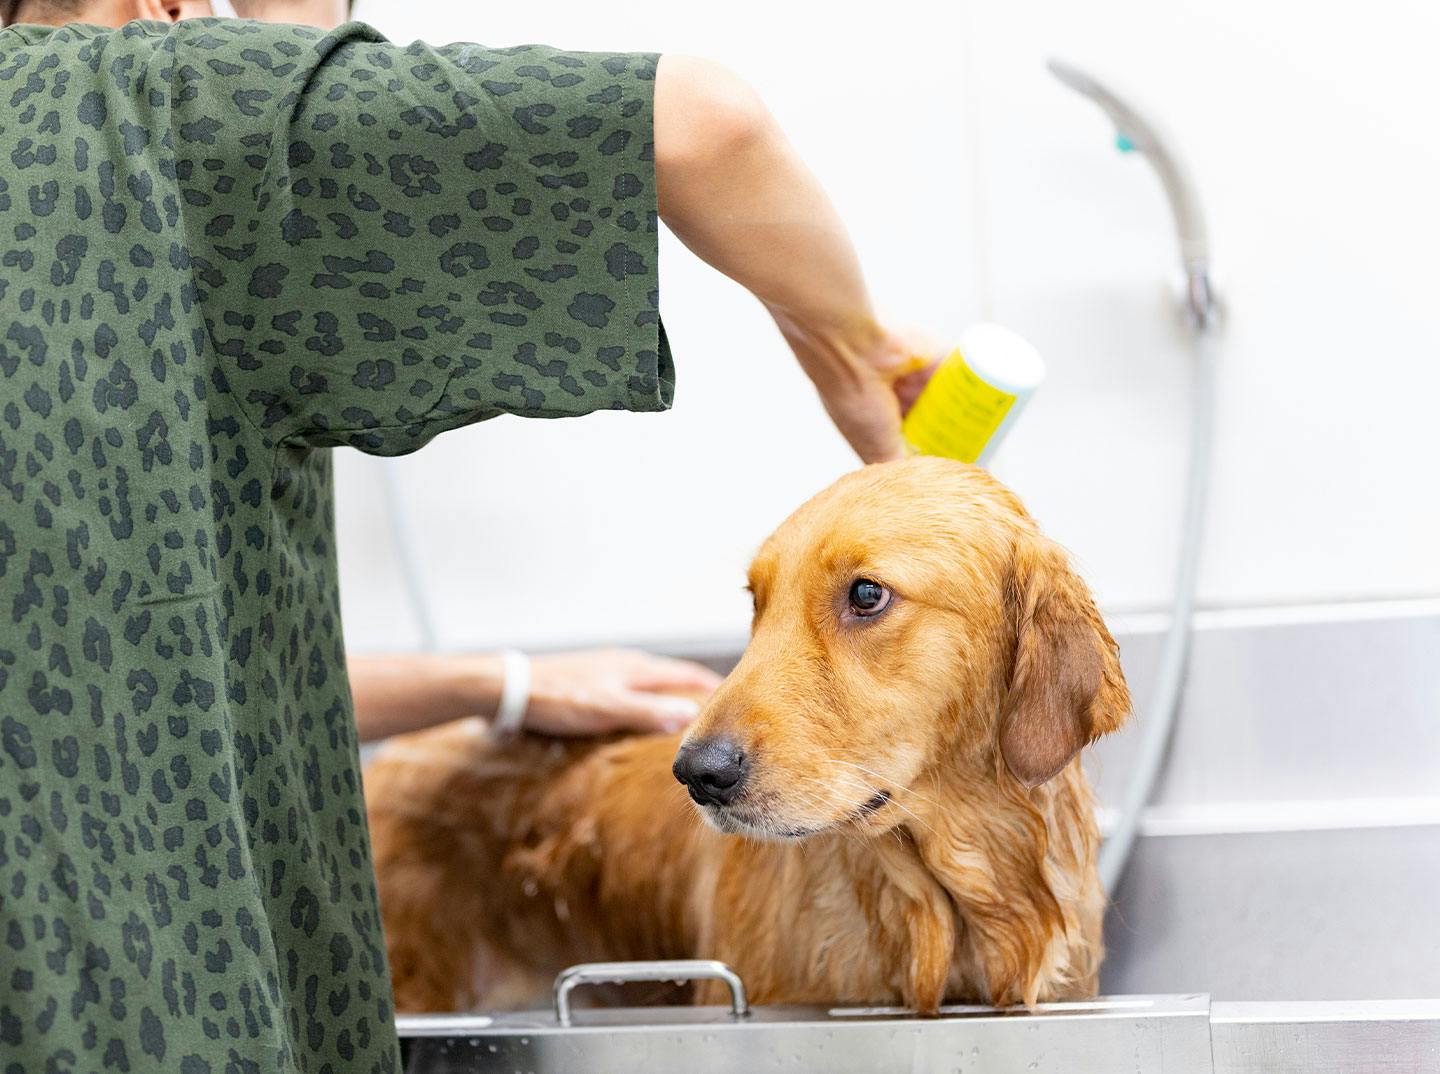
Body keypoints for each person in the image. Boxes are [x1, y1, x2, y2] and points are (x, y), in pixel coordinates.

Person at [0, 0, 936, 1070]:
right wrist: (854, 358)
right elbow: (701, 126)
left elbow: (100, 681)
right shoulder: (175, 106)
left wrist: (504, 686)